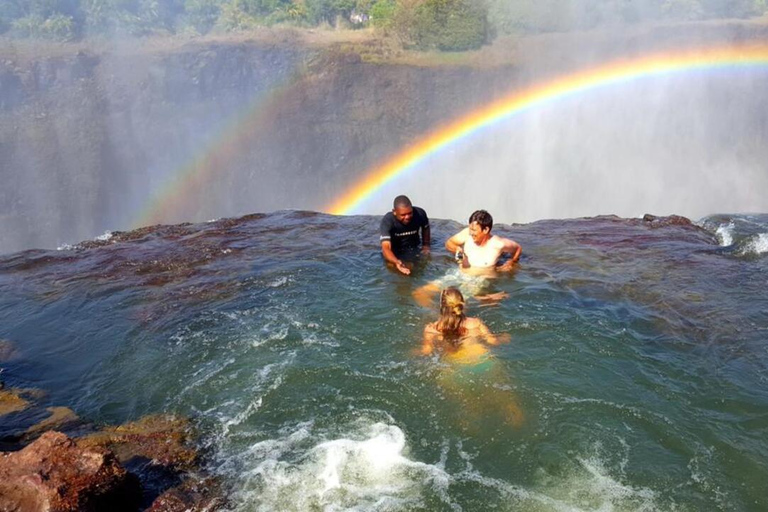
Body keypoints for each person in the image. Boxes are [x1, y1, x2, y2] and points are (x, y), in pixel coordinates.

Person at [420, 287, 523, 428]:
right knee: (506, 400)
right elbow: (492, 341)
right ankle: (517, 421)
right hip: (483, 362)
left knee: (468, 404)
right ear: (462, 304)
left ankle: (472, 426)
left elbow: (426, 351)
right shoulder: (475, 323)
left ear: (442, 306)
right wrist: (505, 337)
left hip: (454, 370)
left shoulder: (432, 329)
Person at [445, 210, 521, 272]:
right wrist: (457, 249)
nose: (470, 233)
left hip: (481, 281)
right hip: (459, 275)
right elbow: (449, 243)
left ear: (486, 230)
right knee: (434, 287)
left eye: (474, 230)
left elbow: (517, 248)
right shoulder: (466, 234)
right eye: (470, 228)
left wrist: (511, 262)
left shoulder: (497, 244)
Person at [380, 195, 431, 275]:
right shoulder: (388, 221)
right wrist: (396, 262)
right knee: (395, 270)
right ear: (394, 212)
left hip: (414, 247)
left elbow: (426, 228)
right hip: (396, 251)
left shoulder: (420, 213)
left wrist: (426, 245)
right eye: (403, 215)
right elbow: (386, 248)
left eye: (410, 213)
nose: (407, 217)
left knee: (420, 269)